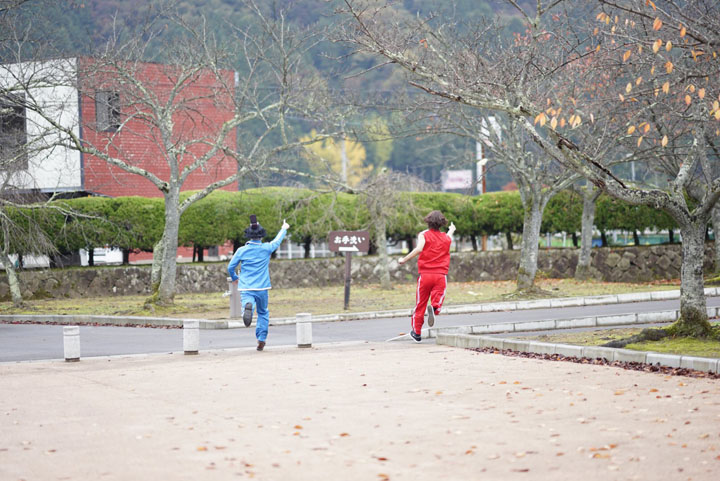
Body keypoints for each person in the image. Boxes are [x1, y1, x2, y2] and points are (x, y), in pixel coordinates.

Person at [228, 215, 289, 351]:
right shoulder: (267, 248)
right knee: (263, 312)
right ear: (261, 235)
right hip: (262, 287)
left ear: (249, 236)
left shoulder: (241, 250)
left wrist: (234, 278)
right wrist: (284, 228)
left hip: (246, 287)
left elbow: (230, 267)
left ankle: (247, 308)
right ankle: (261, 338)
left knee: (247, 303)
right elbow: (277, 241)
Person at [398, 210, 455, 343]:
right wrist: (451, 229)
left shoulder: (423, 235)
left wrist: (404, 260)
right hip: (440, 275)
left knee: (420, 304)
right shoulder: (446, 238)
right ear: (442, 223)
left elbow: (419, 249)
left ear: (428, 222)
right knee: (439, 294)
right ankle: (435, 308)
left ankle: (416, 333)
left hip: (425, 275)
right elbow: (448, 236)